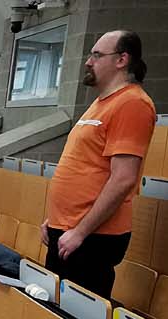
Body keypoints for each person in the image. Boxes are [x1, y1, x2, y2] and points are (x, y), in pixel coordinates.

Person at [42, 30, 155, 299]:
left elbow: (123, 179)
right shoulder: (100, 103)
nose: (88, 62)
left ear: (121, 60)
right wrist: (56, 220)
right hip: (69, 230)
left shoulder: (132, 104)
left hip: (92, 236)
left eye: (96, 55)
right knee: (53, 313)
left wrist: (80, 231)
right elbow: (85, 165)